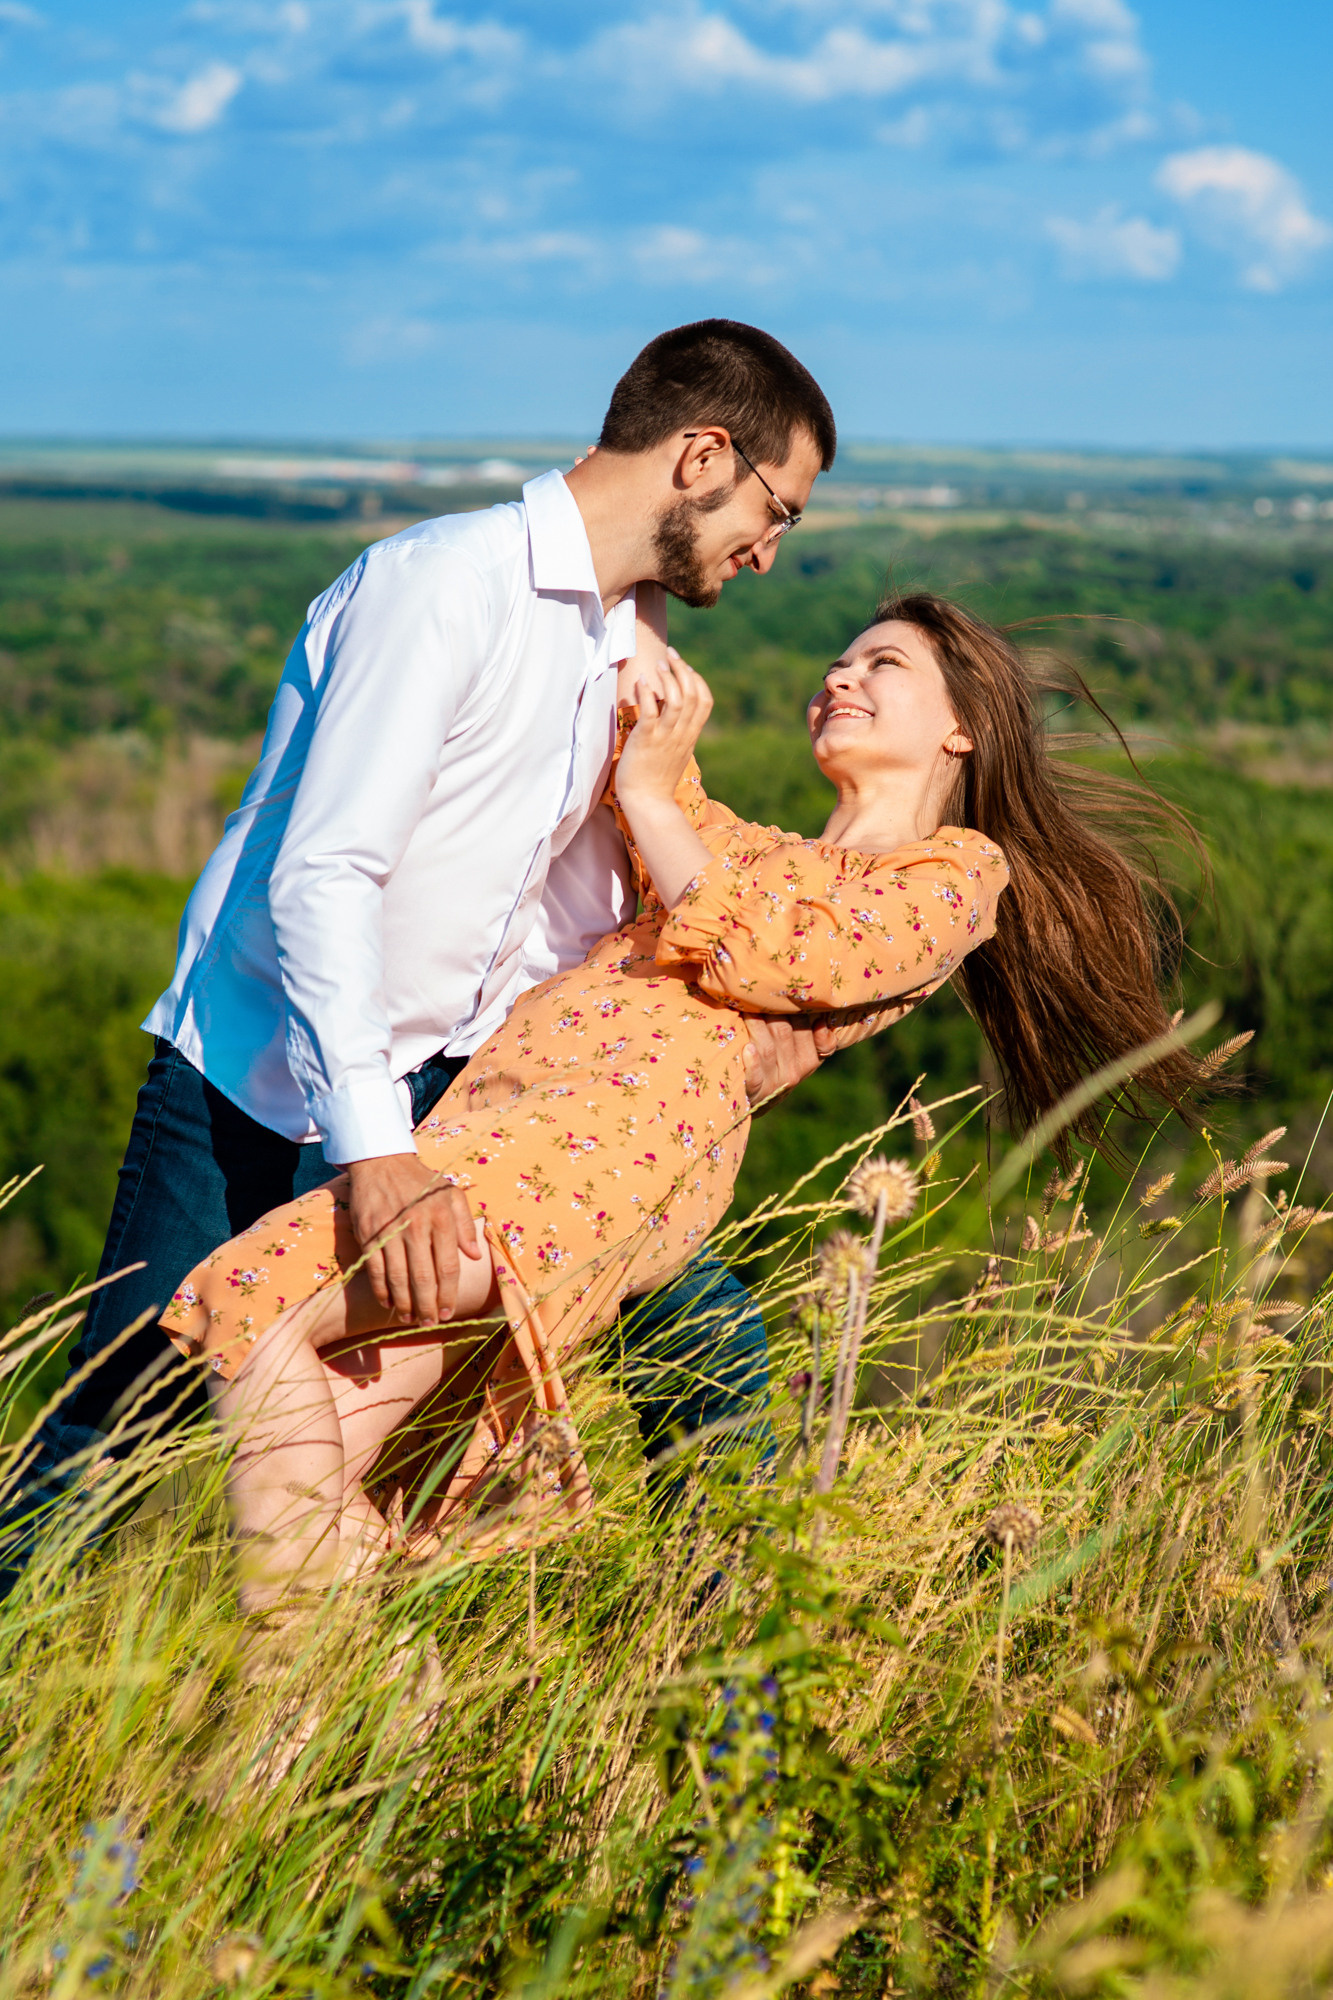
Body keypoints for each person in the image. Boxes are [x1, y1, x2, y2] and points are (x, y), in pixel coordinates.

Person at [162, 589, 1211, 1607]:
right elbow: (642, 732)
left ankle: (321, 1701)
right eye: (839, 660)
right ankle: (358, 1713)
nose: (841, 674)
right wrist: (647, 573)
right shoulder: (743, 851)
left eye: (882, 663)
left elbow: (776, 953)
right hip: (497, 1122)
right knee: (329, 1454)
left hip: (600, 1151)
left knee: (251, 1305)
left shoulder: (953, 873)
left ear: (963, 731)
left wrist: (659, 799)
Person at [3, 320, 844, 1582]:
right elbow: (325, 871)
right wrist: (376, 1153)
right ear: (702, 455)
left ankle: (736, 1649)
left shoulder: (620, 641)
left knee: (687, 1316)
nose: (769, 555)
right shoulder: (442, 584)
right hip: (254, 1086)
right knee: (121, 1436)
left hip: (447, 1094)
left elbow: (558, 905)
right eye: (772, 510)